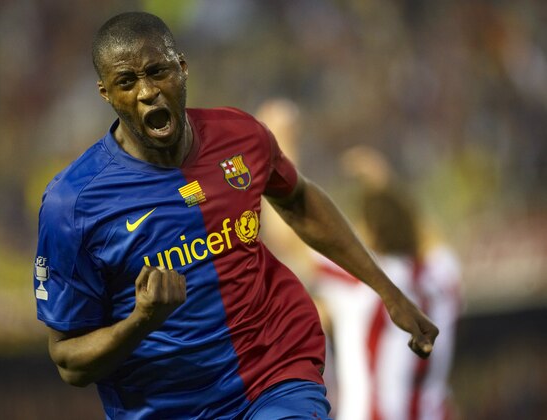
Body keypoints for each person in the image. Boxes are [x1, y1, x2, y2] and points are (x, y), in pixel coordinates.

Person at [33, 12, 438, 419]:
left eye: (158, 71)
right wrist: (142, 320)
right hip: (166, 408)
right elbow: (69, 360)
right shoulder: (73, 205)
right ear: (105, 93)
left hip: (273, 374)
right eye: (127, 82)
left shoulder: (240, 137)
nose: (147, 92)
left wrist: (388, 291)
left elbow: (298, 199)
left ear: (182, 68)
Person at [313, 147, 461, 420]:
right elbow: (423, 231)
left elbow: (293, 232)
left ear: (371, 231)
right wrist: (384, 184)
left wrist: (278, 152)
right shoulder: (443, 273)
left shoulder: (361, 280)